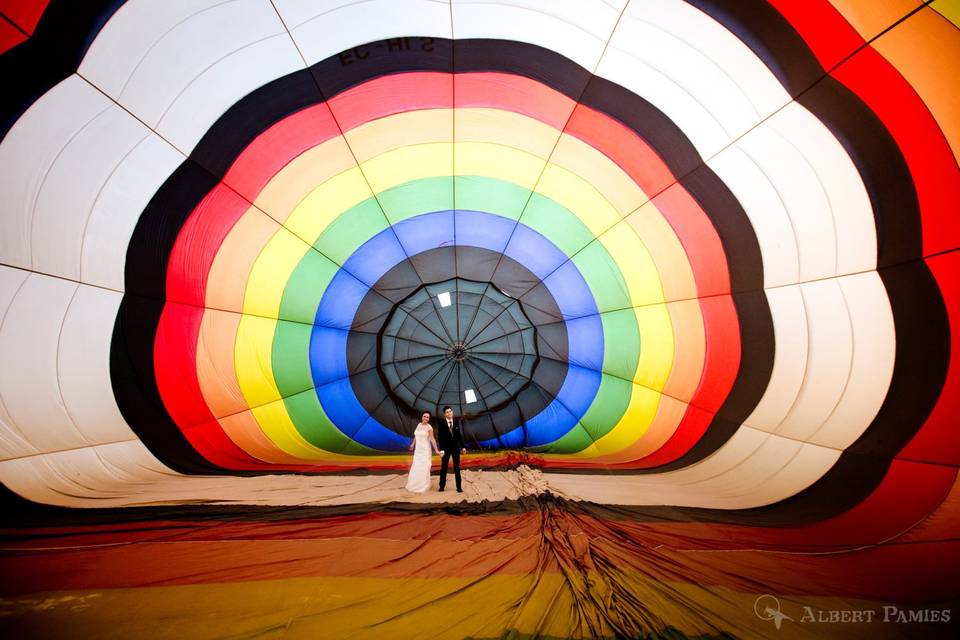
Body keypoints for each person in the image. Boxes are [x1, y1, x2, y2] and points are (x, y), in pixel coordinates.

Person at [405, 411, 440, 493]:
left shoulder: (429, 428)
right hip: (418, 450)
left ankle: (423, 485)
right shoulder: (419, 425)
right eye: (424, 416)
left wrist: (436, 450)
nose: (426, 418)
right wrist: (412, 445)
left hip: (425, 450)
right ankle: (414, 484)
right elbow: (416, 436)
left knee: (424, 467)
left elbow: (432, 439)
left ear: (429, 419)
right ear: (422, 417)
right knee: (416, 465)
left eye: (427, 417)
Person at [434, 405, 466, 492]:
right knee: (444, 467)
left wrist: (463, 446)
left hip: (455, 449)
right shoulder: (442, 423)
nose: (449, 413)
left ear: (452, 412)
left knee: (457, 468)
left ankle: (459, 487)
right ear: (444, 414)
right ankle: (441, 486)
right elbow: (440, 437)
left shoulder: (456, 421)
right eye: (447, 412)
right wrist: (442, 449)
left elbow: (459, 435)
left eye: (450, 411)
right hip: (446, 449)